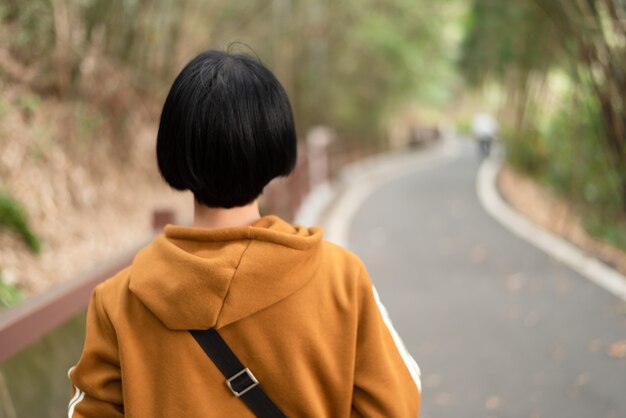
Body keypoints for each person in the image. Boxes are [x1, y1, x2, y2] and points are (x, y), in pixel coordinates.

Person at [68, 49, 421, 417]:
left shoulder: (118, 302)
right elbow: (395, 403)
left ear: (174, 148)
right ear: (274, 144)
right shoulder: (341, 280)